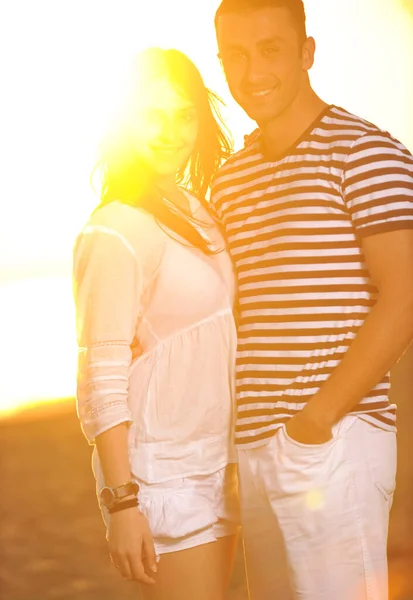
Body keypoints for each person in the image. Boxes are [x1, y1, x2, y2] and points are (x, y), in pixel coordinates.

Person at [212, 1, 413, 598]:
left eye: (270, 50)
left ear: (307, 52)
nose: (252, 73)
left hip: (330, 441)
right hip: (253, 445)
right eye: (235, 56)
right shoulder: (230, 179)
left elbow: (404, 296)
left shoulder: (366, 153)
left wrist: (314, 423)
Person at [72, 47, 240, 600]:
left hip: (219, 466)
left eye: (184, 113)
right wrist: (122, 504)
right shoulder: (116, 228)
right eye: (152, 115)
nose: (171, 132)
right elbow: (101, 373)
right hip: (162, 478)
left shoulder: (197, 210)